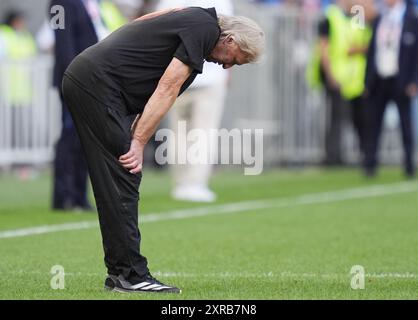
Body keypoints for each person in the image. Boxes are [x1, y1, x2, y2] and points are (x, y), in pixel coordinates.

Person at [62, 7, 264, 293]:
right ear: (230, 40)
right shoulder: (205, 31)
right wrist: (139, 142)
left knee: (116, 179)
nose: (228, 66)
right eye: (236, 60)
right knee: (124, 173)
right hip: (97, 84)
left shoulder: (199, 17)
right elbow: (168, 87)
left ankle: (121, 273)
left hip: (92, 79)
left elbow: (146, 20)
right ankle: (130, 275)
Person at [50, 0, 126, 211]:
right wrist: (73, 77)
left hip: (91, 80)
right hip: (74, 80)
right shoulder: (61, 3)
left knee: (85, 138)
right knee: (69, 135)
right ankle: (63, 196)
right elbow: (63, 42)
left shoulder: (95, 4)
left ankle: (78, 195)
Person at [156, 0, 234, 203]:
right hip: (208, 78)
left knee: (178, 132)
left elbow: (160, 24)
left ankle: (181, 183)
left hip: (177, 74)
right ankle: (195, 183)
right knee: (203, 133)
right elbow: (231, 34)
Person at [364, 0, 418, 178]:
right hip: (379, 79)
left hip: (400, 80)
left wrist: (414, 80)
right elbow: (372, 51)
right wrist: (367, 80)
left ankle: (409, 165)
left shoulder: (412, 18)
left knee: (405, 125)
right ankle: (370, 165)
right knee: (373, 124)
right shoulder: (380, 17)